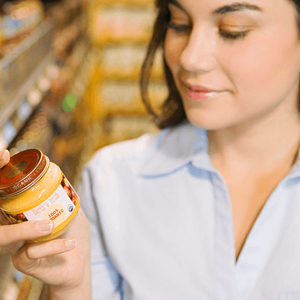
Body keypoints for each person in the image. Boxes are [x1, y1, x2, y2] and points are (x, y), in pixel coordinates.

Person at [2, 0, 300, 298]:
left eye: (233, 31)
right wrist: (72, 286)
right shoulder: (111, 182)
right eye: (179, 24)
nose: (191, 58)